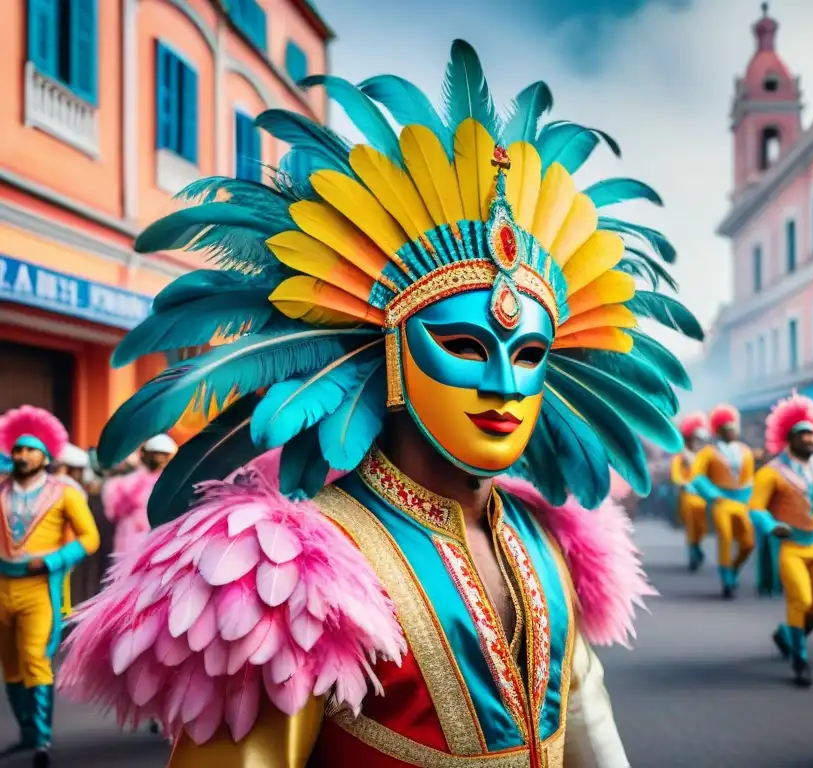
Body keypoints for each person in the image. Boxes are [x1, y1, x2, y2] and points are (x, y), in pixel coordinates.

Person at [58, 38, 699, 767]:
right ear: (389, 354)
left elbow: (590, 737)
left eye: (529, 357)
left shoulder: (551, 544)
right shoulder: (289, 575)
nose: (504, 384)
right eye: (462, 345)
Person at [0, 406, 100, 767]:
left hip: (39, 589)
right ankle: (27, 732)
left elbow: (90, 538)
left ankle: (42, 738)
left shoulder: (64, 493)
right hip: (2, 588)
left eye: (30, 449)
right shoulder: (1, 489)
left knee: (35, 660)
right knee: (10, 666)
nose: (22, 455)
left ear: (45, 455)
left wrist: (55, 560)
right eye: (18, 449)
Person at [748, 392, 813, 688]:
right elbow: (755, 507)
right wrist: (771, 525)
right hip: (791, 546)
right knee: (801, 600)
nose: (809, 438)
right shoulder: (771, 472)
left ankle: (787, 634)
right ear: (788, 437)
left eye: (812, 433)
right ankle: (800, 659)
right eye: (802, 433)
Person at [689, 404, 756, 598]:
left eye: (734, 427)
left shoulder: (746, 452)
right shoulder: (708, 453)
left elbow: (751, 479)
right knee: (725, 537)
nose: (732, 431)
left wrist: (753, 500)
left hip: (742, 503)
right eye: (728, 428)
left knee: (748, 542)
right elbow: (697, 476)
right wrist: (712, 494)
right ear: (719, 431)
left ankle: (733, 568)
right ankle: (726, 576)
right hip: (721, 502)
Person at [101, 434, 177, 561]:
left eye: (164, 455)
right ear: (145, 455)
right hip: (129, 546)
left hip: (161, 544)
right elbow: (114, 513)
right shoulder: (125, 482)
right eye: (155, 454)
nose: (159, 459)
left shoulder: (173, 482)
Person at [670, 412, 710, 570]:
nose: (699, 442)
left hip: (705, 496)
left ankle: (697, 546)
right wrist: (682, 482)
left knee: (703, 527)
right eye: (697, 439)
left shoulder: (707, 456)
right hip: (688, 495)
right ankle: (694, 552)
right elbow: (675, 473)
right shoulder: (682, 455)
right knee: (692, 526)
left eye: (702, 440)